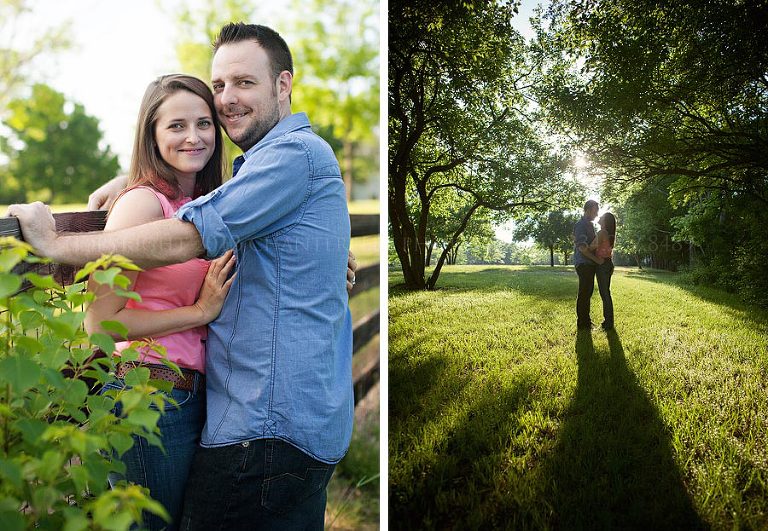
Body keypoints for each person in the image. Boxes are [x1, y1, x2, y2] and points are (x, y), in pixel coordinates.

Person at [8, 22, 353, 529]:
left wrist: (60, 245)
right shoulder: (173, 195)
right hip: (167, 396)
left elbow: (191, 235)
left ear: (283, 84)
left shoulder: (287, 158)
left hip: (264, 422)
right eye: (220, 86)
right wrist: (133, 184)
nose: (227, 100)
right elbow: (101, 322)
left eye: (244, 82)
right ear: (152, 135)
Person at [84, 74, 236, 530]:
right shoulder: (143, 205)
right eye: (176, 126)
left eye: (204, 123)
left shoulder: (203, 203)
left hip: (188, 396)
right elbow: (100, 323)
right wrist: (198, 312)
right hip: (146, 394)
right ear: (151, 135)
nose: (194, 137)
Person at [573, 199, 604, 330]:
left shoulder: (589, 225)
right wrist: (596, 260)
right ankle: (582, 323)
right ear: (589, 209)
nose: (597, 214)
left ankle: (586, 321)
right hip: (583, 263)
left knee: (587, 292)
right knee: (584, 293)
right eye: (595, 211)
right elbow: (582, 248)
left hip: (588, 263)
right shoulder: (581, 225)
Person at [590, 212, 616, 330]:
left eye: (602, 217)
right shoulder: (608, 234)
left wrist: (578, 243)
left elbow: (591, 247)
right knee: (606, 293)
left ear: (605, 221)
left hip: (603, 265)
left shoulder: (602, 233)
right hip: (608, 263)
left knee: (605, 294)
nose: (599, 217)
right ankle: (608, 321)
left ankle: (608, 323)